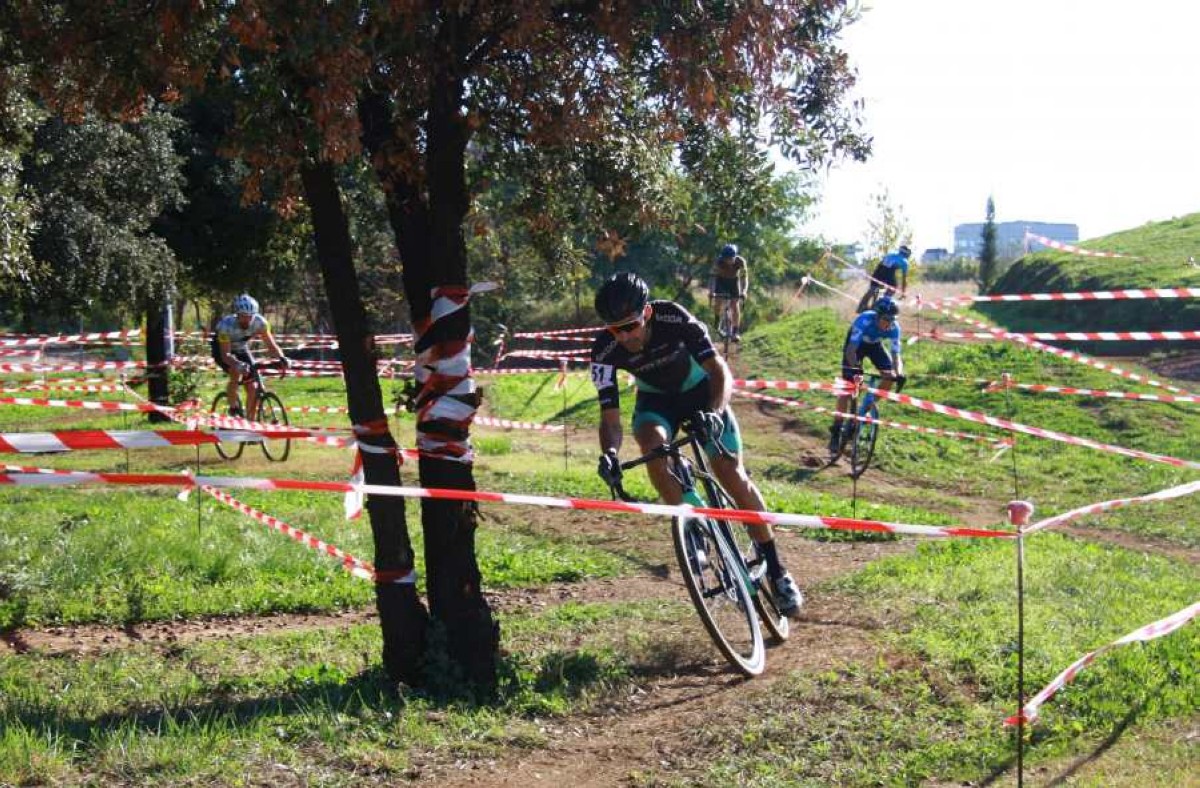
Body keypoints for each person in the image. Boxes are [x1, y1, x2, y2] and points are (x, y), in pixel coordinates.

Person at [591, 272, 803, 618]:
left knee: (730, 473)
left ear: (646, 313)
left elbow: (719, 370)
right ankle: (693, 530)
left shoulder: (673, 317)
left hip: (703, 393)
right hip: (657, 403)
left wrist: (715, 413)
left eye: (630, 325)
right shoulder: (603, 350)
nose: (625, 336)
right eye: (616, 329)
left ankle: (778, 570)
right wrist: (610, 454)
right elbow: (610, 418)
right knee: (650, 446)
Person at [829, 295, 906, 455]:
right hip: (856, 346)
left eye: (892, 319)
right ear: (877, 316)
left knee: (889, 376)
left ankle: (865, 410)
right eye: (886, 319)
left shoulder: (894, 328)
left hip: (874, 345)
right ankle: (836, 429)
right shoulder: (864, 320)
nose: (889, 323)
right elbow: (851, 350)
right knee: (848, 386)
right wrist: (856, 367)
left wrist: (899, 373)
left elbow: (896, 355)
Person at [210, 294, 290, 418]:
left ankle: (250, 423)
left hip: (241, 348)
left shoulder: (261, 323)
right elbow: (225, 355)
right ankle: (233, 407)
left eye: (249, 317)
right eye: (243, 316)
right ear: (237, 315)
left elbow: (271, 345)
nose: (247, 320)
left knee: (252, 387)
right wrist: (237, 364)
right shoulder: (225, 326)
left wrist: (282, 358)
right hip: (222, 350)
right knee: (235, 372)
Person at [708, 243, 748, 341]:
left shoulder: (740, 261)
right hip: (720, 281)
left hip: (734, 282)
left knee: (735, 305)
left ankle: (735, 332)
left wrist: (744, 291)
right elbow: (712, 278)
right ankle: (717, 321)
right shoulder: (718, 262)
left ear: (734, 257)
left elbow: (744, 278)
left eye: (729, 259)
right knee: (718, 302)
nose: (727, 261)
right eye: (725, 259)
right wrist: (711, 292)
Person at [856, 244, 911, 313]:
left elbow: (881, 265)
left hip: (878, 271)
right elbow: (904, 279)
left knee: (874, 290)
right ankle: (880, 305)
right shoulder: (905, 261)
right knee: (892, 289)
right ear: (907, 254)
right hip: (888, 272)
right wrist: (903, 292)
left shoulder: (890, 254)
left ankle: (861, 307)